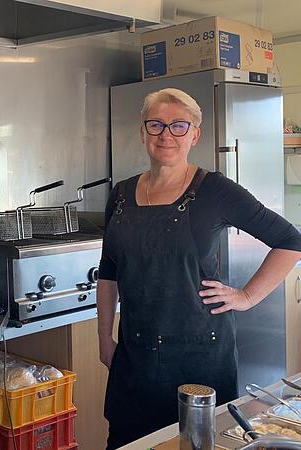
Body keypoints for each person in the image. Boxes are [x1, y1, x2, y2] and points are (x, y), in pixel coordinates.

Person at [97, 87, 301, 449]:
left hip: (199, 357)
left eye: (179, 126)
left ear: (195, 134)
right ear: (142, 131)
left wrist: (247, 295)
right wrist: (104, 337)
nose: (166, 135)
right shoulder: (122, 194)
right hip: (136, 356)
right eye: (156, 125)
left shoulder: (215, 190)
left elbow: (290, 240)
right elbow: (109, 270)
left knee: (195, 444)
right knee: (127, 442)